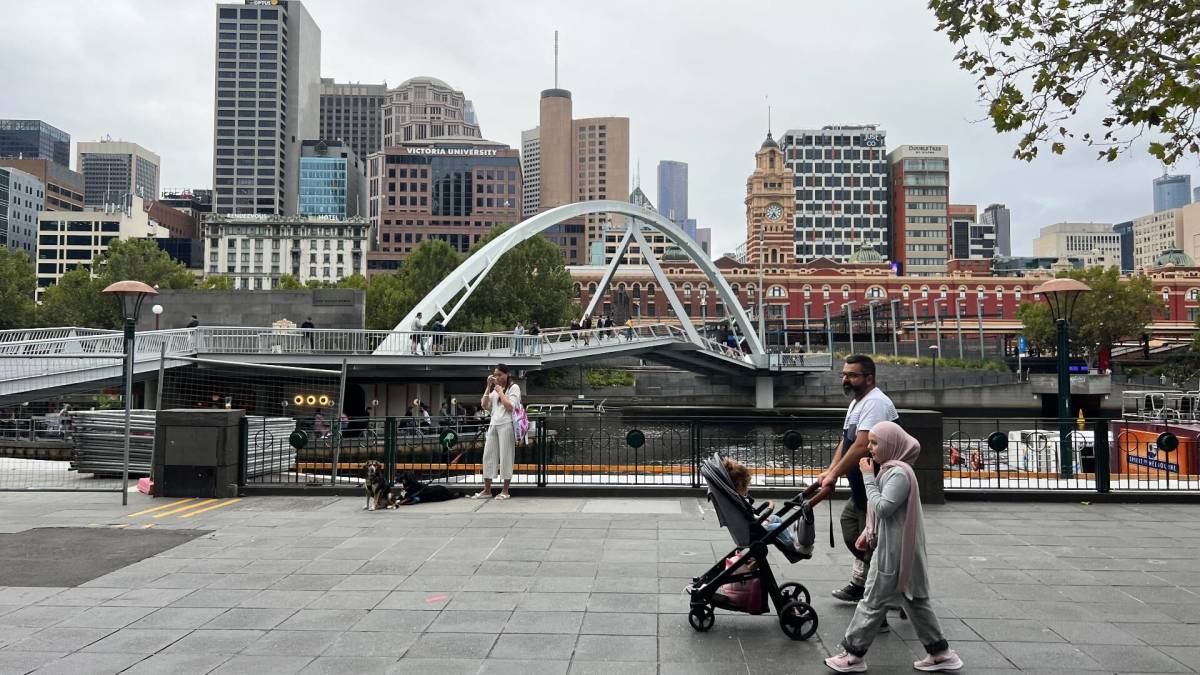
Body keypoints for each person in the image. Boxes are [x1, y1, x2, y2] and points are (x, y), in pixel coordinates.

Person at [823, 421, 963, 673]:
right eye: (870, 442)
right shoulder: (891, 470)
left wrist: (867, 477)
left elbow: (884, 508)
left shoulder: (898, 474)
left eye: (875, 443)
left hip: (894, 552)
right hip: (897, 548)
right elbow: (889, 514)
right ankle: (940, 653)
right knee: (915, 601)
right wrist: (867, 532)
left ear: (891, 445)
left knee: (872, 601)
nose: (870, 448)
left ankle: (853, 655)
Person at [815, 354, 898, 609]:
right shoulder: (857, 403)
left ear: (869, 378)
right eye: (844, 374)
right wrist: (831, 471)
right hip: (862, 487)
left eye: (852, 375)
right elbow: (847, 441)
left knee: (869, 540)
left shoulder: (875, 403)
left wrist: (834, 475)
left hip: (877, 486)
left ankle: (878, 596)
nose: (845, 379)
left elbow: (862, 445)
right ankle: (872, 585)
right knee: (851, 527)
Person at [725, 458, 800, 551]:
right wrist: (762, 517)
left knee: (776, 518)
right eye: (747, 485)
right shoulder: (738, 500)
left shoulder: (734, 498)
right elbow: (746, 516)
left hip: (749, 526)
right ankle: (791, 546)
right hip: (751, 531)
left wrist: (760, 518)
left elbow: (747, 515)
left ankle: (791, 538)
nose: (747, 489)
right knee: (779, 527)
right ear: (740, 484)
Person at [473, 363, 520, 500]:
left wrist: (500, 391)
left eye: (500, 374)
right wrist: (488, 387)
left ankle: (505, 491)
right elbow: (484, 405)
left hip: (507, 424)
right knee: (488, 456)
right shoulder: (495, 390)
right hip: (493, 424)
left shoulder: (513, 387)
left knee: (506, 456)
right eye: (495, 375)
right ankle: (487, 490)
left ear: (507, 374)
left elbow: (510, 407)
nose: (497, 377)